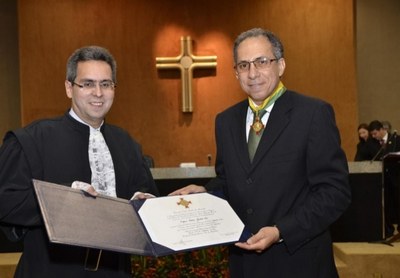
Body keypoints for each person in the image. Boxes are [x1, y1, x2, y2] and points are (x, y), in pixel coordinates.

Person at [170, 28, 351, 277]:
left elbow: (335, 192)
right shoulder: (225, 121)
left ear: (281, 65)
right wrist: (205, 192)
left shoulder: (312, 114)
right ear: (235, 72)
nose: (252, 73)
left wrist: (281, 231)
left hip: (300, 263)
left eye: (262, 62)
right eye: (243, 65)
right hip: (245, 264)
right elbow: (230, 181)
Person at [0, 46, 158, 277]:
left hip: (114, 271)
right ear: (69, 88)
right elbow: (6, 202)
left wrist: (145, 203)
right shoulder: (31, 140)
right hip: (51, 271)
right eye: (87, 84)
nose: (98, 93)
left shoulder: (128, 145)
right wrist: (63, 198)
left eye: (106, 84)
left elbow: (146, 197)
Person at [368, 120, 400, 238]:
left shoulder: (396, 139)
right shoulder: (371, 143)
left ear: (382, 130)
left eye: (375, 133)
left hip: (396, 178)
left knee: (397, 203)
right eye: (372, 134)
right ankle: (388, 230)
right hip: (381, 180)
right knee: (385, 206)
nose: (374, 136)